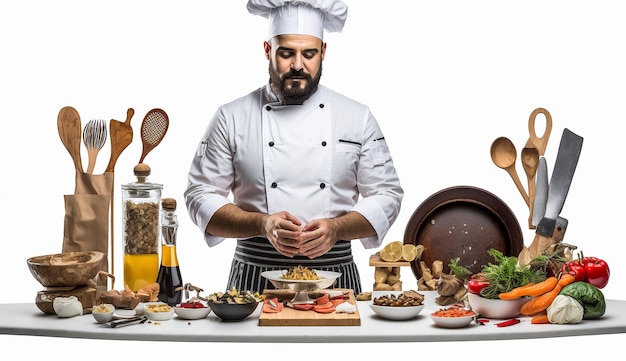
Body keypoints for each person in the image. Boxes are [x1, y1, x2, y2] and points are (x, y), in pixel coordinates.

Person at [184, 0, 403, 295]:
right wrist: (261, 224)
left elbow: (387, 195)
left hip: (334, 278)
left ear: (323, 52)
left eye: (309, 54)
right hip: (254, 279)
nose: (298, 65)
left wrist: (337, 228)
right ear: (267, 51)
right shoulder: (231, 117)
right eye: (286, 53)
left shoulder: (356, 116)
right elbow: (199, 195)